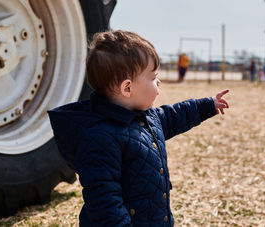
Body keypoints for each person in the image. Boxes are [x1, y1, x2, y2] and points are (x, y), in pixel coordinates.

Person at [47, 30, 229, 226]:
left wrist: (207, 105)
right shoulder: (99, 138)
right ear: (127, 88)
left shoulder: (147, 117)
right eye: (152, 77)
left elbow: (174, 116)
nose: (158, 81)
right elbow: (105, 201)